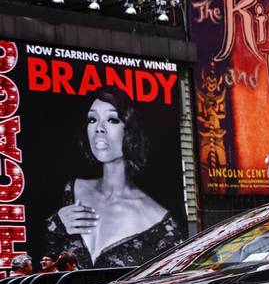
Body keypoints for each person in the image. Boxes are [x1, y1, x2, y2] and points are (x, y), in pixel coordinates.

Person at [46, 86, 183, 268]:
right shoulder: (72, 190)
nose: (99, 129)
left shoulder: (160, 224)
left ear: (130, 130)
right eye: (92, 119)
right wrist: (55, 226)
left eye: (112, 120)